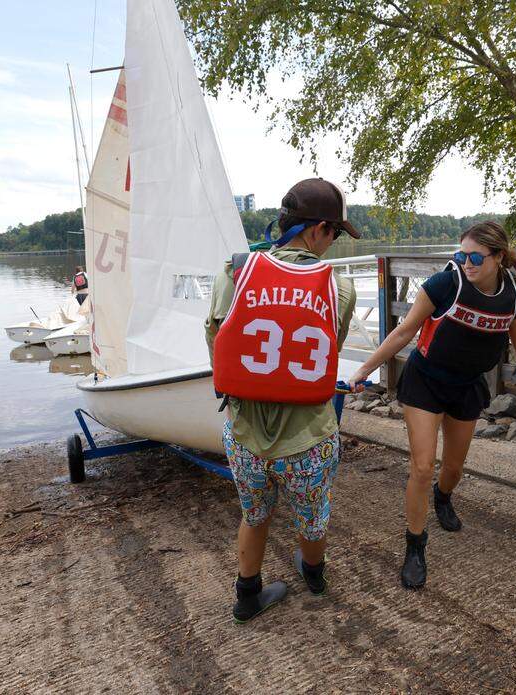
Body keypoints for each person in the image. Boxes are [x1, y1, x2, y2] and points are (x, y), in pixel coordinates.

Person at [348, 221, 516, 589]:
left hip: (466, 387)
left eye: (475, 256)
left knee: (453, 469)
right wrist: (363, 370)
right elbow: (404, 330)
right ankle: (415, 544)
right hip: (426, 381)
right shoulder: (445, 283)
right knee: (422, 467)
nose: (466, 263)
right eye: (461, 255)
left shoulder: (513, 298)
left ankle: (444, 498)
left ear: (498, 257)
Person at [206, 178, 359, 623]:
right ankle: (313, 575)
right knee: (312, 520)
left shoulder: (235, 271)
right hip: (308, 440)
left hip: (245, 436)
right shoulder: (340, 289)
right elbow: (329, 350)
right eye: (333, 233)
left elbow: (216, 341)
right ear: (317, 231)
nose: (331, 244)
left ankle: (247, 596)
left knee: (254, 515)